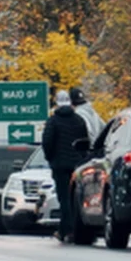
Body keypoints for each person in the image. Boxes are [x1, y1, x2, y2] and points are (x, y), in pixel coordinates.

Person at [42, 89, 87, 243]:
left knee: (64, 198)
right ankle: (70, 229)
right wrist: (81, 158)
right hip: (76, 165)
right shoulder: (79, 120)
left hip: (60, 166)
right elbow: (84, 141)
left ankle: (67, 229)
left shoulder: (53, 121)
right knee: (75, 198)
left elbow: (47, 142)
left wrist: (51, 158)